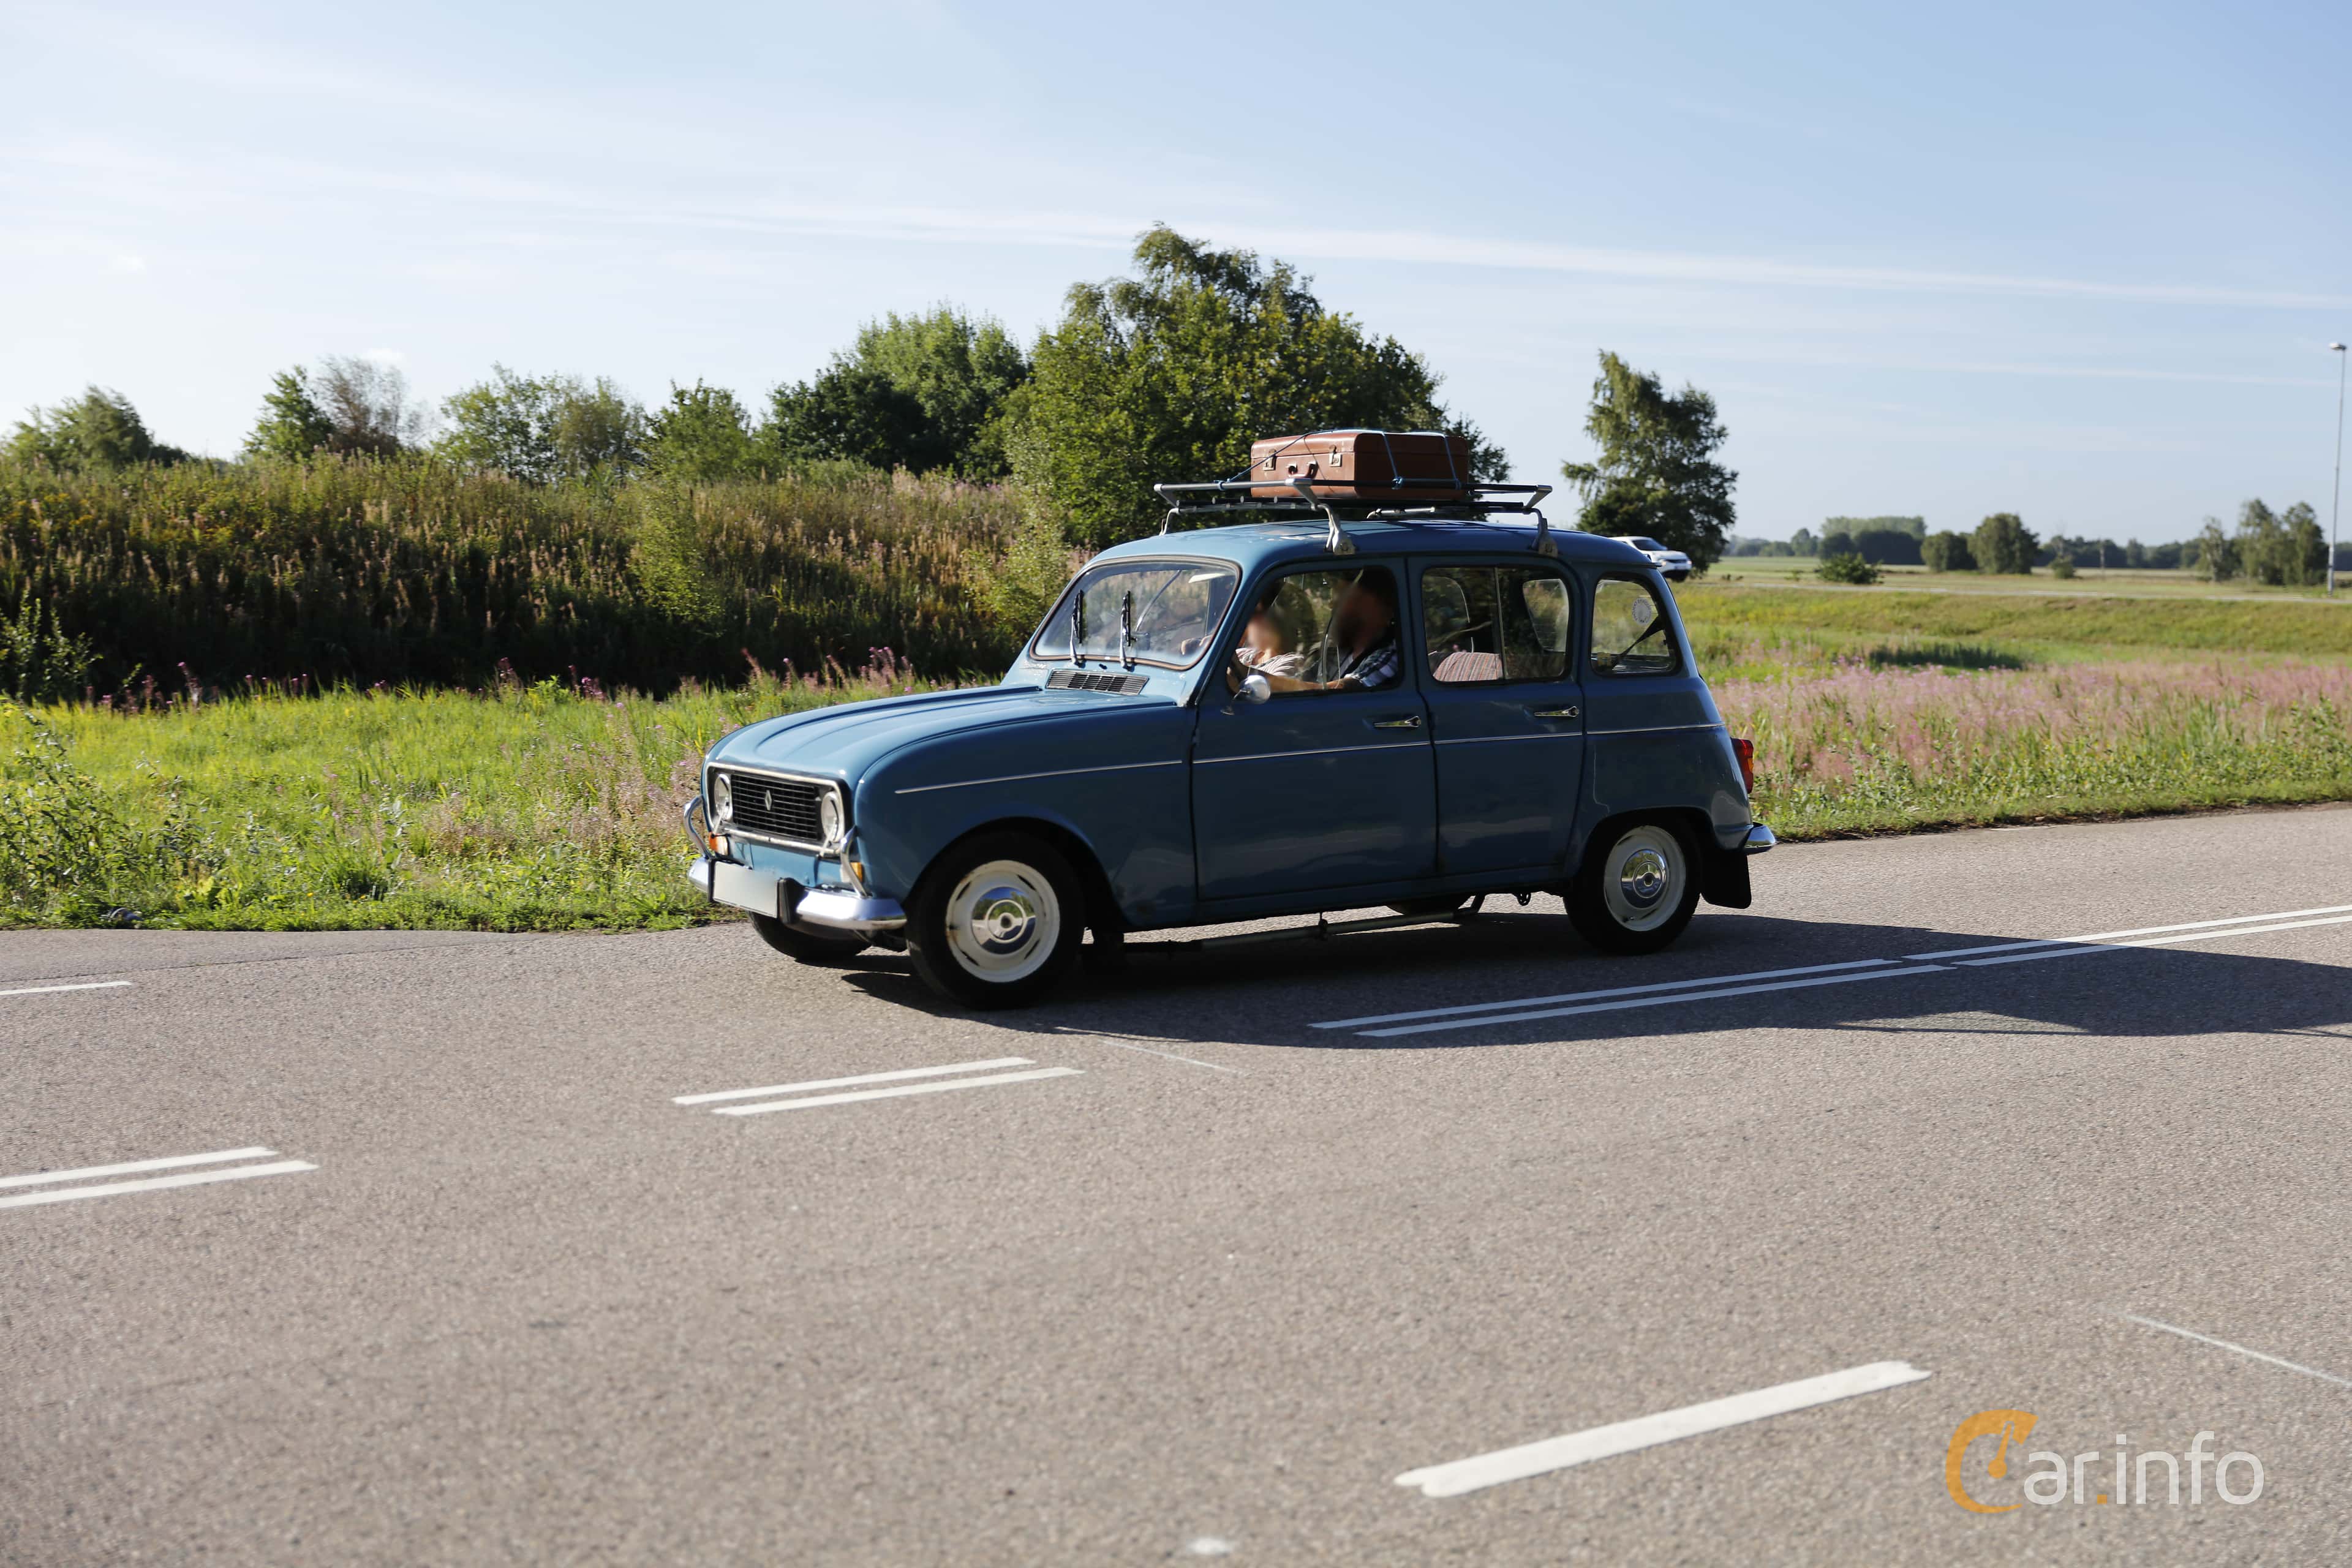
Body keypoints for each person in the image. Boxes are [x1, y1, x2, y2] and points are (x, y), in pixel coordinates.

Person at [1258, 571, 1402, 693]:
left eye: (1341, 601)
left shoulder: (1390, 655)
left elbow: (1337, 690)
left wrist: (1258, 679)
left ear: (1369, 608)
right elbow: (1298, 682)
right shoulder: (1336, 653)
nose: (1331, 607)